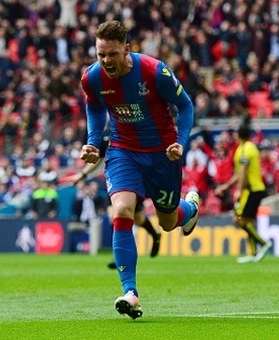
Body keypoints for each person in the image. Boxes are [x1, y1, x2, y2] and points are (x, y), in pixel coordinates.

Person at [79, 20, 200, 320]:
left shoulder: (154, 71)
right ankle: (130, 292)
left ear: (127, 50)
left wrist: (181, 143)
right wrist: (94, 142)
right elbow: (94, 107)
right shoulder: (91, 79)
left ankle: (190, 209)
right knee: (122, 211)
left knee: (168, 222)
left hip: (163, 154)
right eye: (101, 54)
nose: (106, 61)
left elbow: (186, 107)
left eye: (112, 54)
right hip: (123, 150)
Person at [71, 129, 163, 266]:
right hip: (114, 180)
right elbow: (99, 159)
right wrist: (83, 174)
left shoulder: (130, 127)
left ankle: (155, 235)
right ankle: (120, 256)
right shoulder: (106, 134)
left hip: (132, 178)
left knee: (137, 218)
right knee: (114, 218)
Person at [215, 125, 272, 264]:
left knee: (238, 218)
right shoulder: (242, 149)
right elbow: (239, 173)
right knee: (248, 221)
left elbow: (244, 171)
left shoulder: (247, 149)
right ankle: (253, 253)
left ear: (238, 136)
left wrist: (238, 190)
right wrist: (226, 186)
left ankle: (263, 243)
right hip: (250, 189)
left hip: (252, 189)